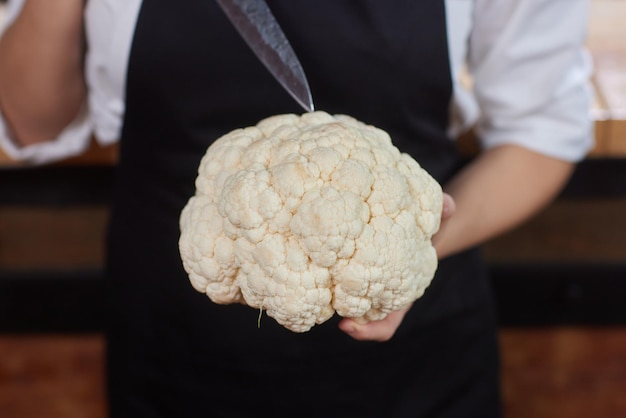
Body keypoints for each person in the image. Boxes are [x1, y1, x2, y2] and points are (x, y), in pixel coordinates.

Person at [0, 1, 593, 417]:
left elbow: (540, 134)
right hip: (172, 345)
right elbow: (29, 121)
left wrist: (412, 245)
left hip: (412, 363)